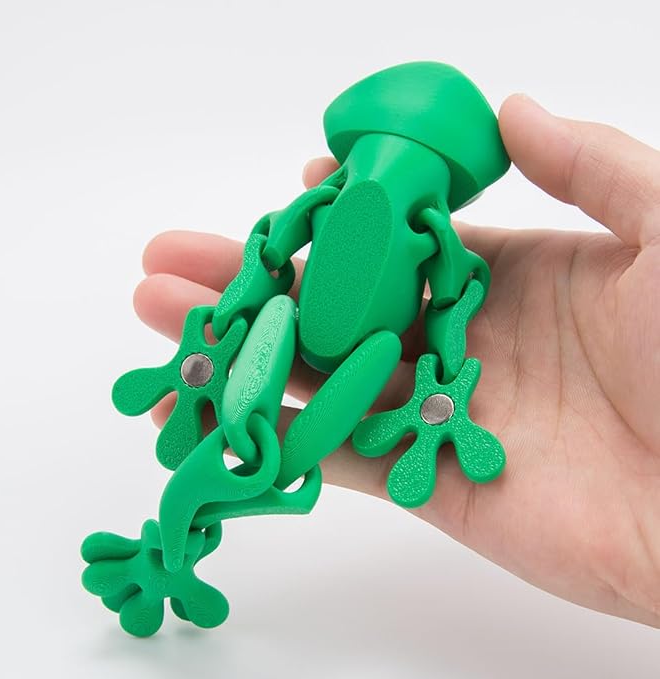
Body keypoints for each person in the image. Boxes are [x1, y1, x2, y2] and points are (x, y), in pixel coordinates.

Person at [134, 94, 660, 628]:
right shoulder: (389, 214)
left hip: (371, 344)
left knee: (339, 342)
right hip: (312, 326)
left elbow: (445, 300)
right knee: (275, 335)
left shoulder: (389, 215)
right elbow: (272, 256)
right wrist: (226, 327)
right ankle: (218, 492)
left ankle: (232, 490)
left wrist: (444, 384)